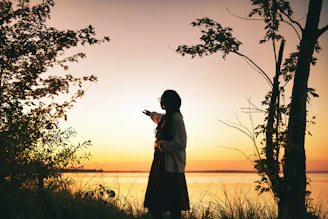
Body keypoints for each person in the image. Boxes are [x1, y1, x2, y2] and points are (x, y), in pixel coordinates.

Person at [143, 90, 190, 219]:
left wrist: (160, 144)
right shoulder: (167, 118)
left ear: (168, 102)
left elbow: (180, 143)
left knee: (174, 207)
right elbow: (158, 117)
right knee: (155, 204)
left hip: (171, 168)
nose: (161, 102)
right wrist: (150, 114)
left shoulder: (176, 119)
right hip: (160, 165)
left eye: (163, 100)